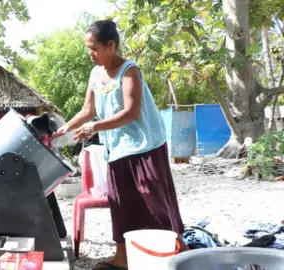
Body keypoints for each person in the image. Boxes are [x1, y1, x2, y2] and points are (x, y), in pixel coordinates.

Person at [52, 20, 188, 270]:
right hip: (117, 148)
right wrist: (65, 128)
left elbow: (131, 113)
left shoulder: (129, 71)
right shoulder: (96, 73)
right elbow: (88, 109)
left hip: (145, 144)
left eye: (94, 48)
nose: (90, 53)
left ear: (111, 45)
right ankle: (123, 257)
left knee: (154, 199)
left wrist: (94, 127)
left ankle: (180, 253)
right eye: (88, 48)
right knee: (121, 202)